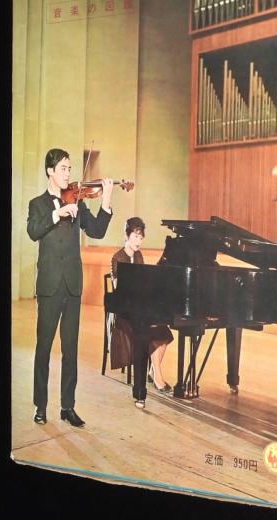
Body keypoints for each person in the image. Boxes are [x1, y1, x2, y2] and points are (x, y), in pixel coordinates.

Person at [27, 148, 114, 427]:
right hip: (50, 286)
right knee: (43, 348)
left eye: (69, 168)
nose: (68, 173)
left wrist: (107, 201)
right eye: (63, 168)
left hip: (73, 285)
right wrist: (57, 213)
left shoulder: (79, 201)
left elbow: (97, 231)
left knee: (71, 350)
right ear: (50, 171)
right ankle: (40, 406)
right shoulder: (38, 204)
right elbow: (33, 231)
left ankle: (68, 407)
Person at [110, 217, 173, 394]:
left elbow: (143, 283)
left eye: (141, 237)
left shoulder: (139, 256)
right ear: (127, 236)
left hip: (139, 309)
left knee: (164, 332)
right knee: (149, 333)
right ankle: (158, 378)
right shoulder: (117, 257)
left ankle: (153, 371)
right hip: (124, 313)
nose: (138, 241)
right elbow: (118, 288)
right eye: (135, 236)